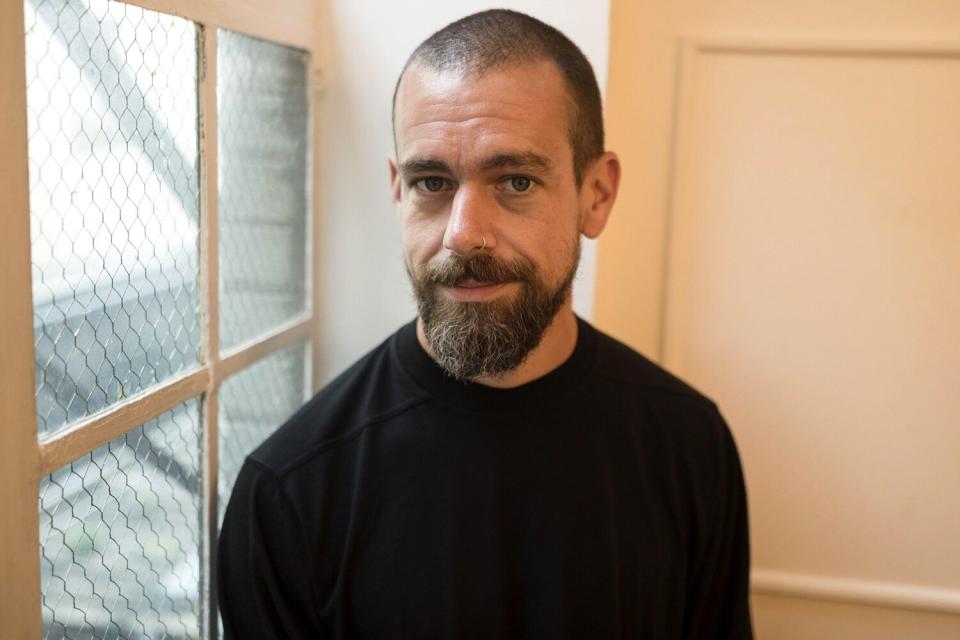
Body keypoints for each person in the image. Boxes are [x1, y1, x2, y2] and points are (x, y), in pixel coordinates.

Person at [218, 9, 753, 639]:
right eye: (433, 182)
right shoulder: (289, 494)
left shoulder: (689, 445)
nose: (463, 234)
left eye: (516, 180)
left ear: (596, 195)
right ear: (399, 191)